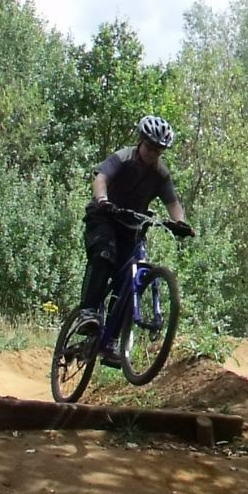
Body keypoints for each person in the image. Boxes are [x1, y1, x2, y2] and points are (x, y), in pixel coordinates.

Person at [77, 115, 193, 365]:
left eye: (159, 149)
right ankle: (87, 311)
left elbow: (173, 203)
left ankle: (110, 342)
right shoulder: (123, 157)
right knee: (104, 256)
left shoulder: (161, 174)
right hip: (104, 218)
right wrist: (103, 200)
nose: (153, 153)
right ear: (140, 141)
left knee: (128, 280)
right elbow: (100, 179)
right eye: (150, 146)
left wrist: (180, 223)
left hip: (131, 227)